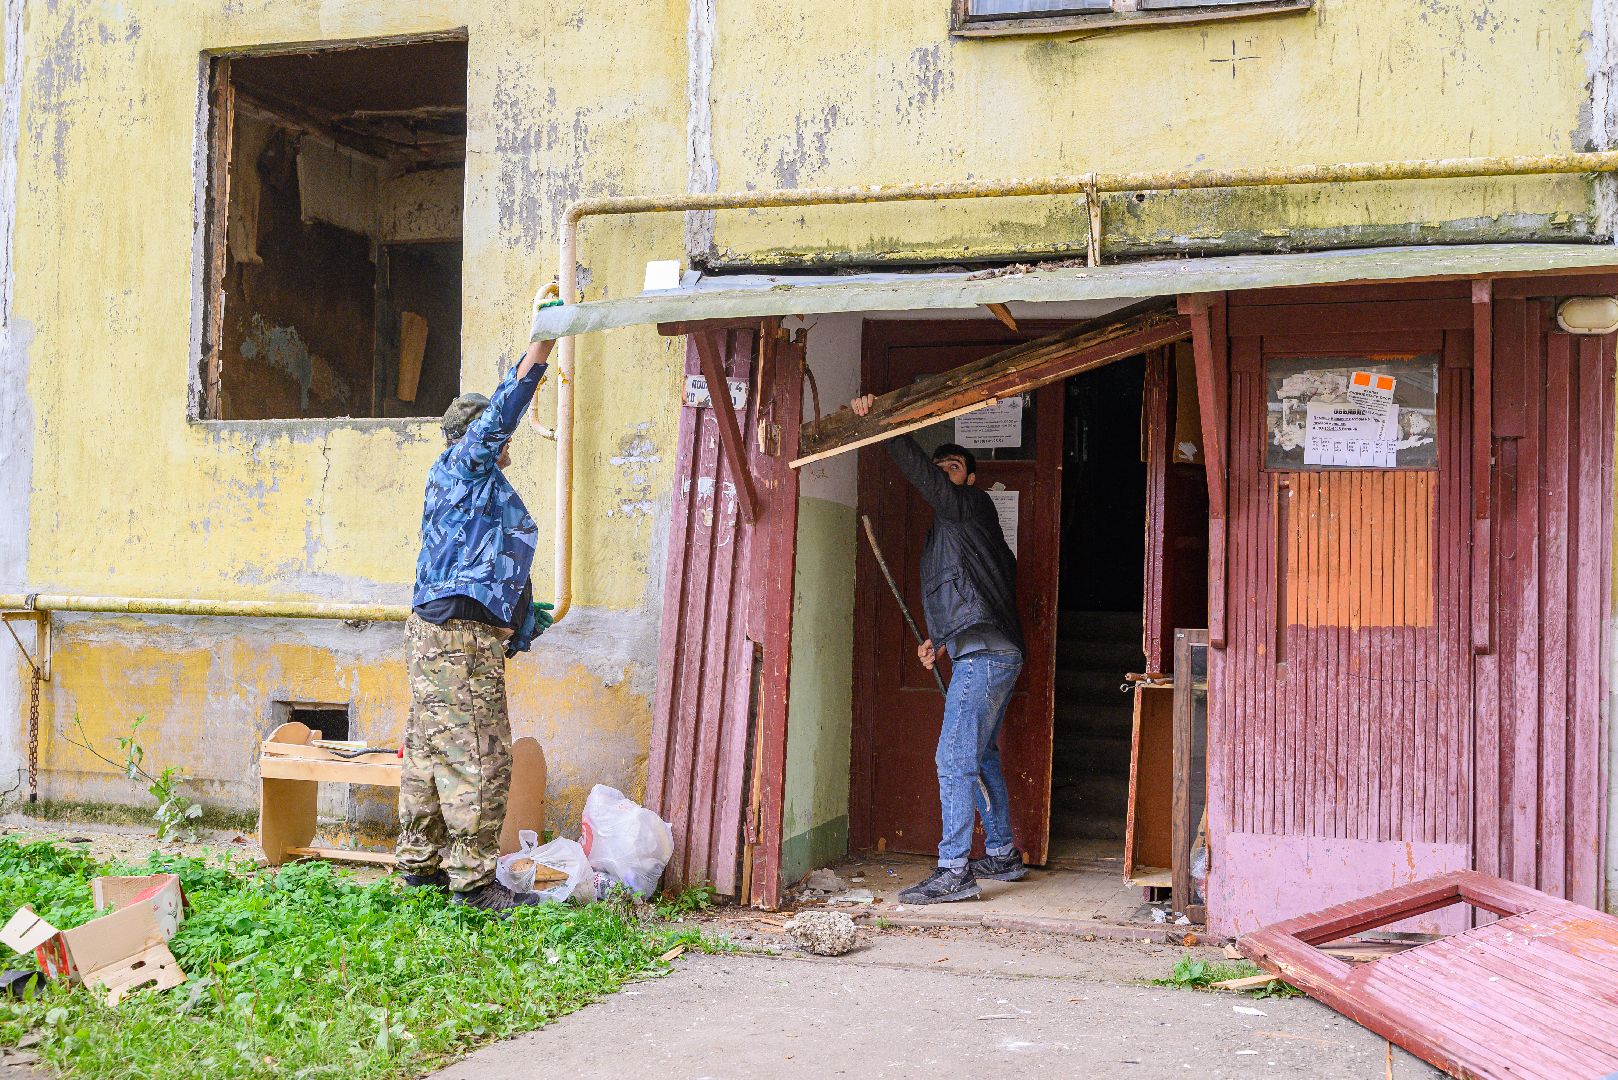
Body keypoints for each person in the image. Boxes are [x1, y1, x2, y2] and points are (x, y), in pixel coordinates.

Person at [397, 336, 557, 912]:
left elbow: (488, 558)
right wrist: (539, 351)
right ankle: (474, 883)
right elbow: (499, 412)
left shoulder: (465, 485)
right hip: (458, 641)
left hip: (437, 632)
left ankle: (420, 867)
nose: (507, 441)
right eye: (500, 435)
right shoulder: (466, 464)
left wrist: (516, 616)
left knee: (429, 747)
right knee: (481, 753)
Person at [851, 393, 1028, 905]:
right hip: (988, 652)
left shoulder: (971, 506)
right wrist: (943, 641)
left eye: (953, 467)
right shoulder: (951, 534)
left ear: (969, 479)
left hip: (987, 657)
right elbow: (971, 594)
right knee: (982, 755)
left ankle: (954, 870)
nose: (944, 473)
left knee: (953, 759)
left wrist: (884, 427)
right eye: (941, 467)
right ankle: (1001, 852)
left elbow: (936, 490)